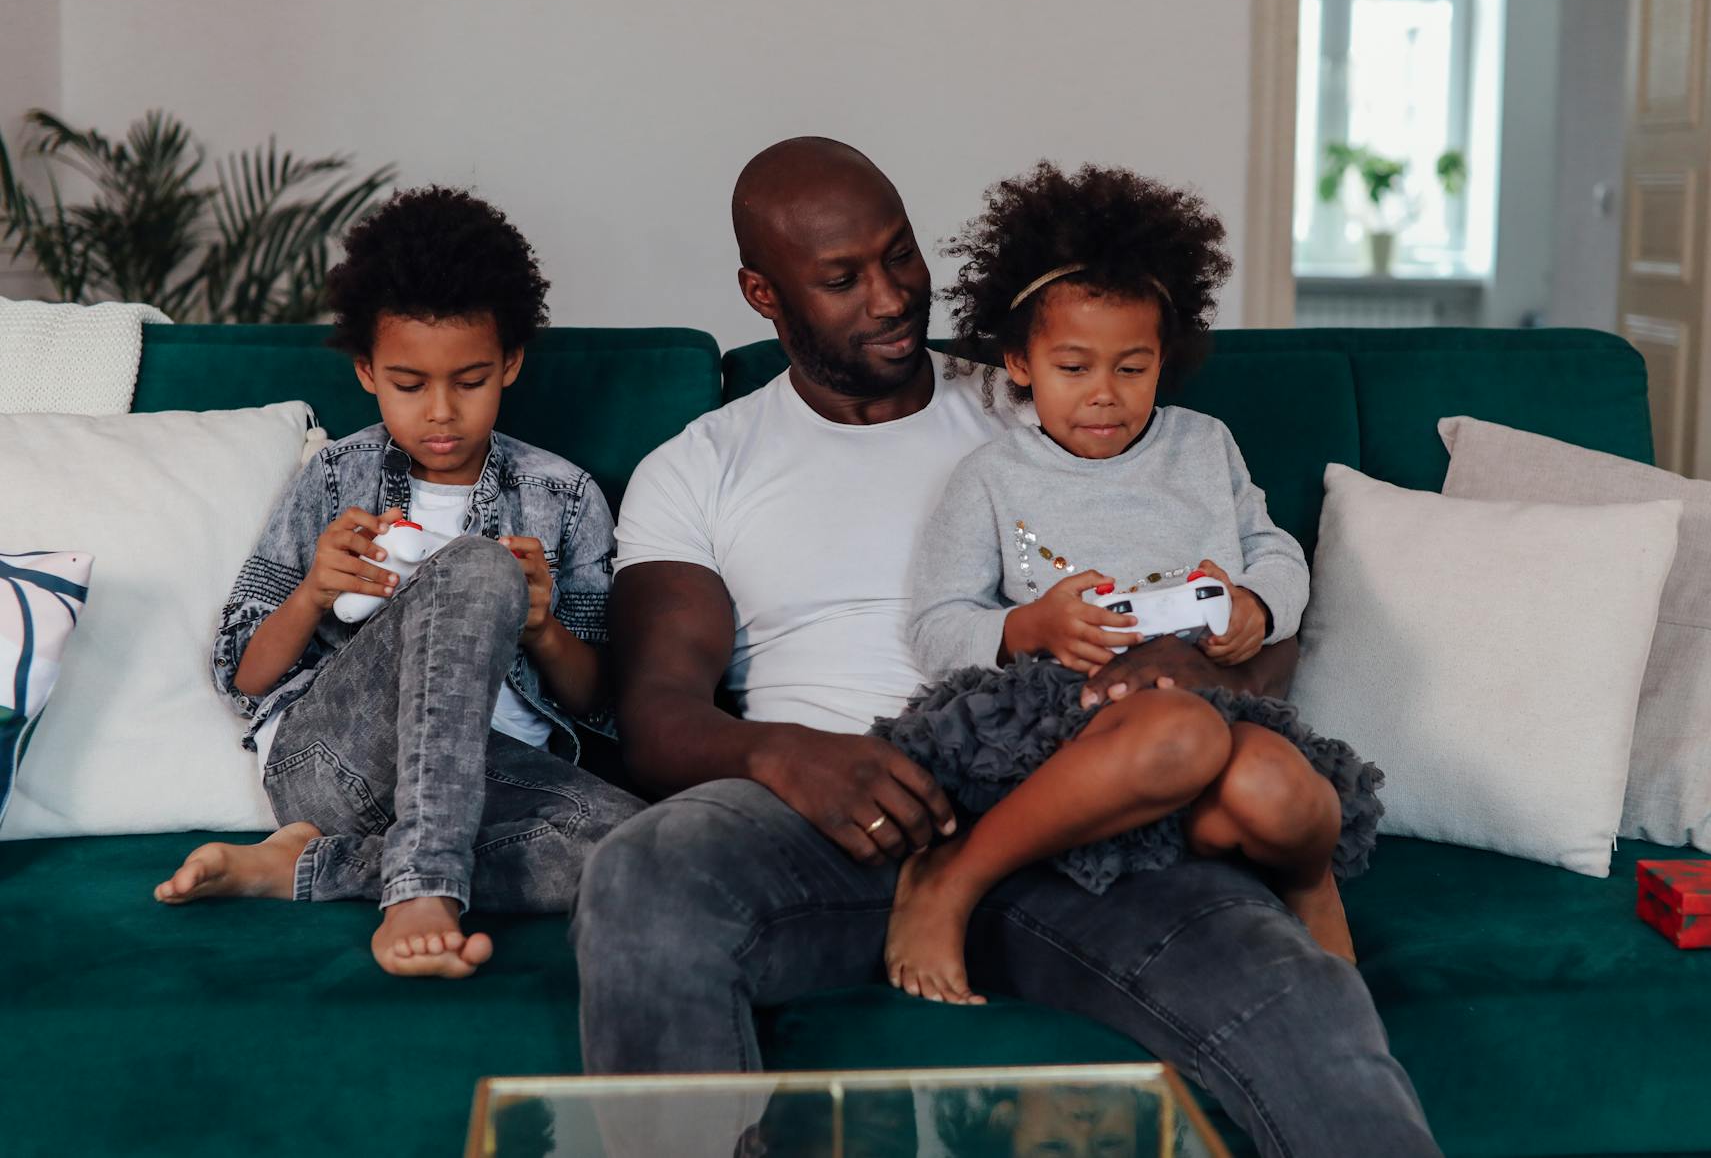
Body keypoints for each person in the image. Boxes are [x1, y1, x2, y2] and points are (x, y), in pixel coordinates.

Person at [577, 137, 1438, 1156]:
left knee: (1296, 996)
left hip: (1093, 806)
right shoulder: (701, 466)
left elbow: (1252, 609)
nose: (893, 296)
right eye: (843, 279)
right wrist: (784, 752)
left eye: (901, 254)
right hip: (834, 821)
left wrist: (1205, 665)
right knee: (645, 871)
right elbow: (654, 713)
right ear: (762, 293)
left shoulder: (1056, 398)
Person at [875, 163, 1381, 1006]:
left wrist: (1255, 606)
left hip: (1210, 699)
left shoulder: (1204, 445)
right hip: (1068, 719)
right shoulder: (992, 476)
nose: (1105, 396)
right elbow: (935, 622)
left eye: (1132, 368)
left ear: (1163, 360)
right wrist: (1029, 627)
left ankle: (1307, 879)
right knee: (1178, 736)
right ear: (1020, 361)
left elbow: (1277, 554)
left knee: (1284, 791)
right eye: (1074, 367)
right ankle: (952, 876)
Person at [155, 186, 643, 978]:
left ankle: (313, 866)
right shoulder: (333, 478)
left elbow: (595, 701)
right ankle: (422, 886)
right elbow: (245, 674)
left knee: (648, 848)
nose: (441, 412)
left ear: (510, 363)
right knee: (478, 562)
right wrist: (312, 593)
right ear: (368, 371)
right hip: (337, 764)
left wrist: (543, 628)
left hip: (488, 778)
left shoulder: (566, 496)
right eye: (410, 385)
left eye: (470, 380)